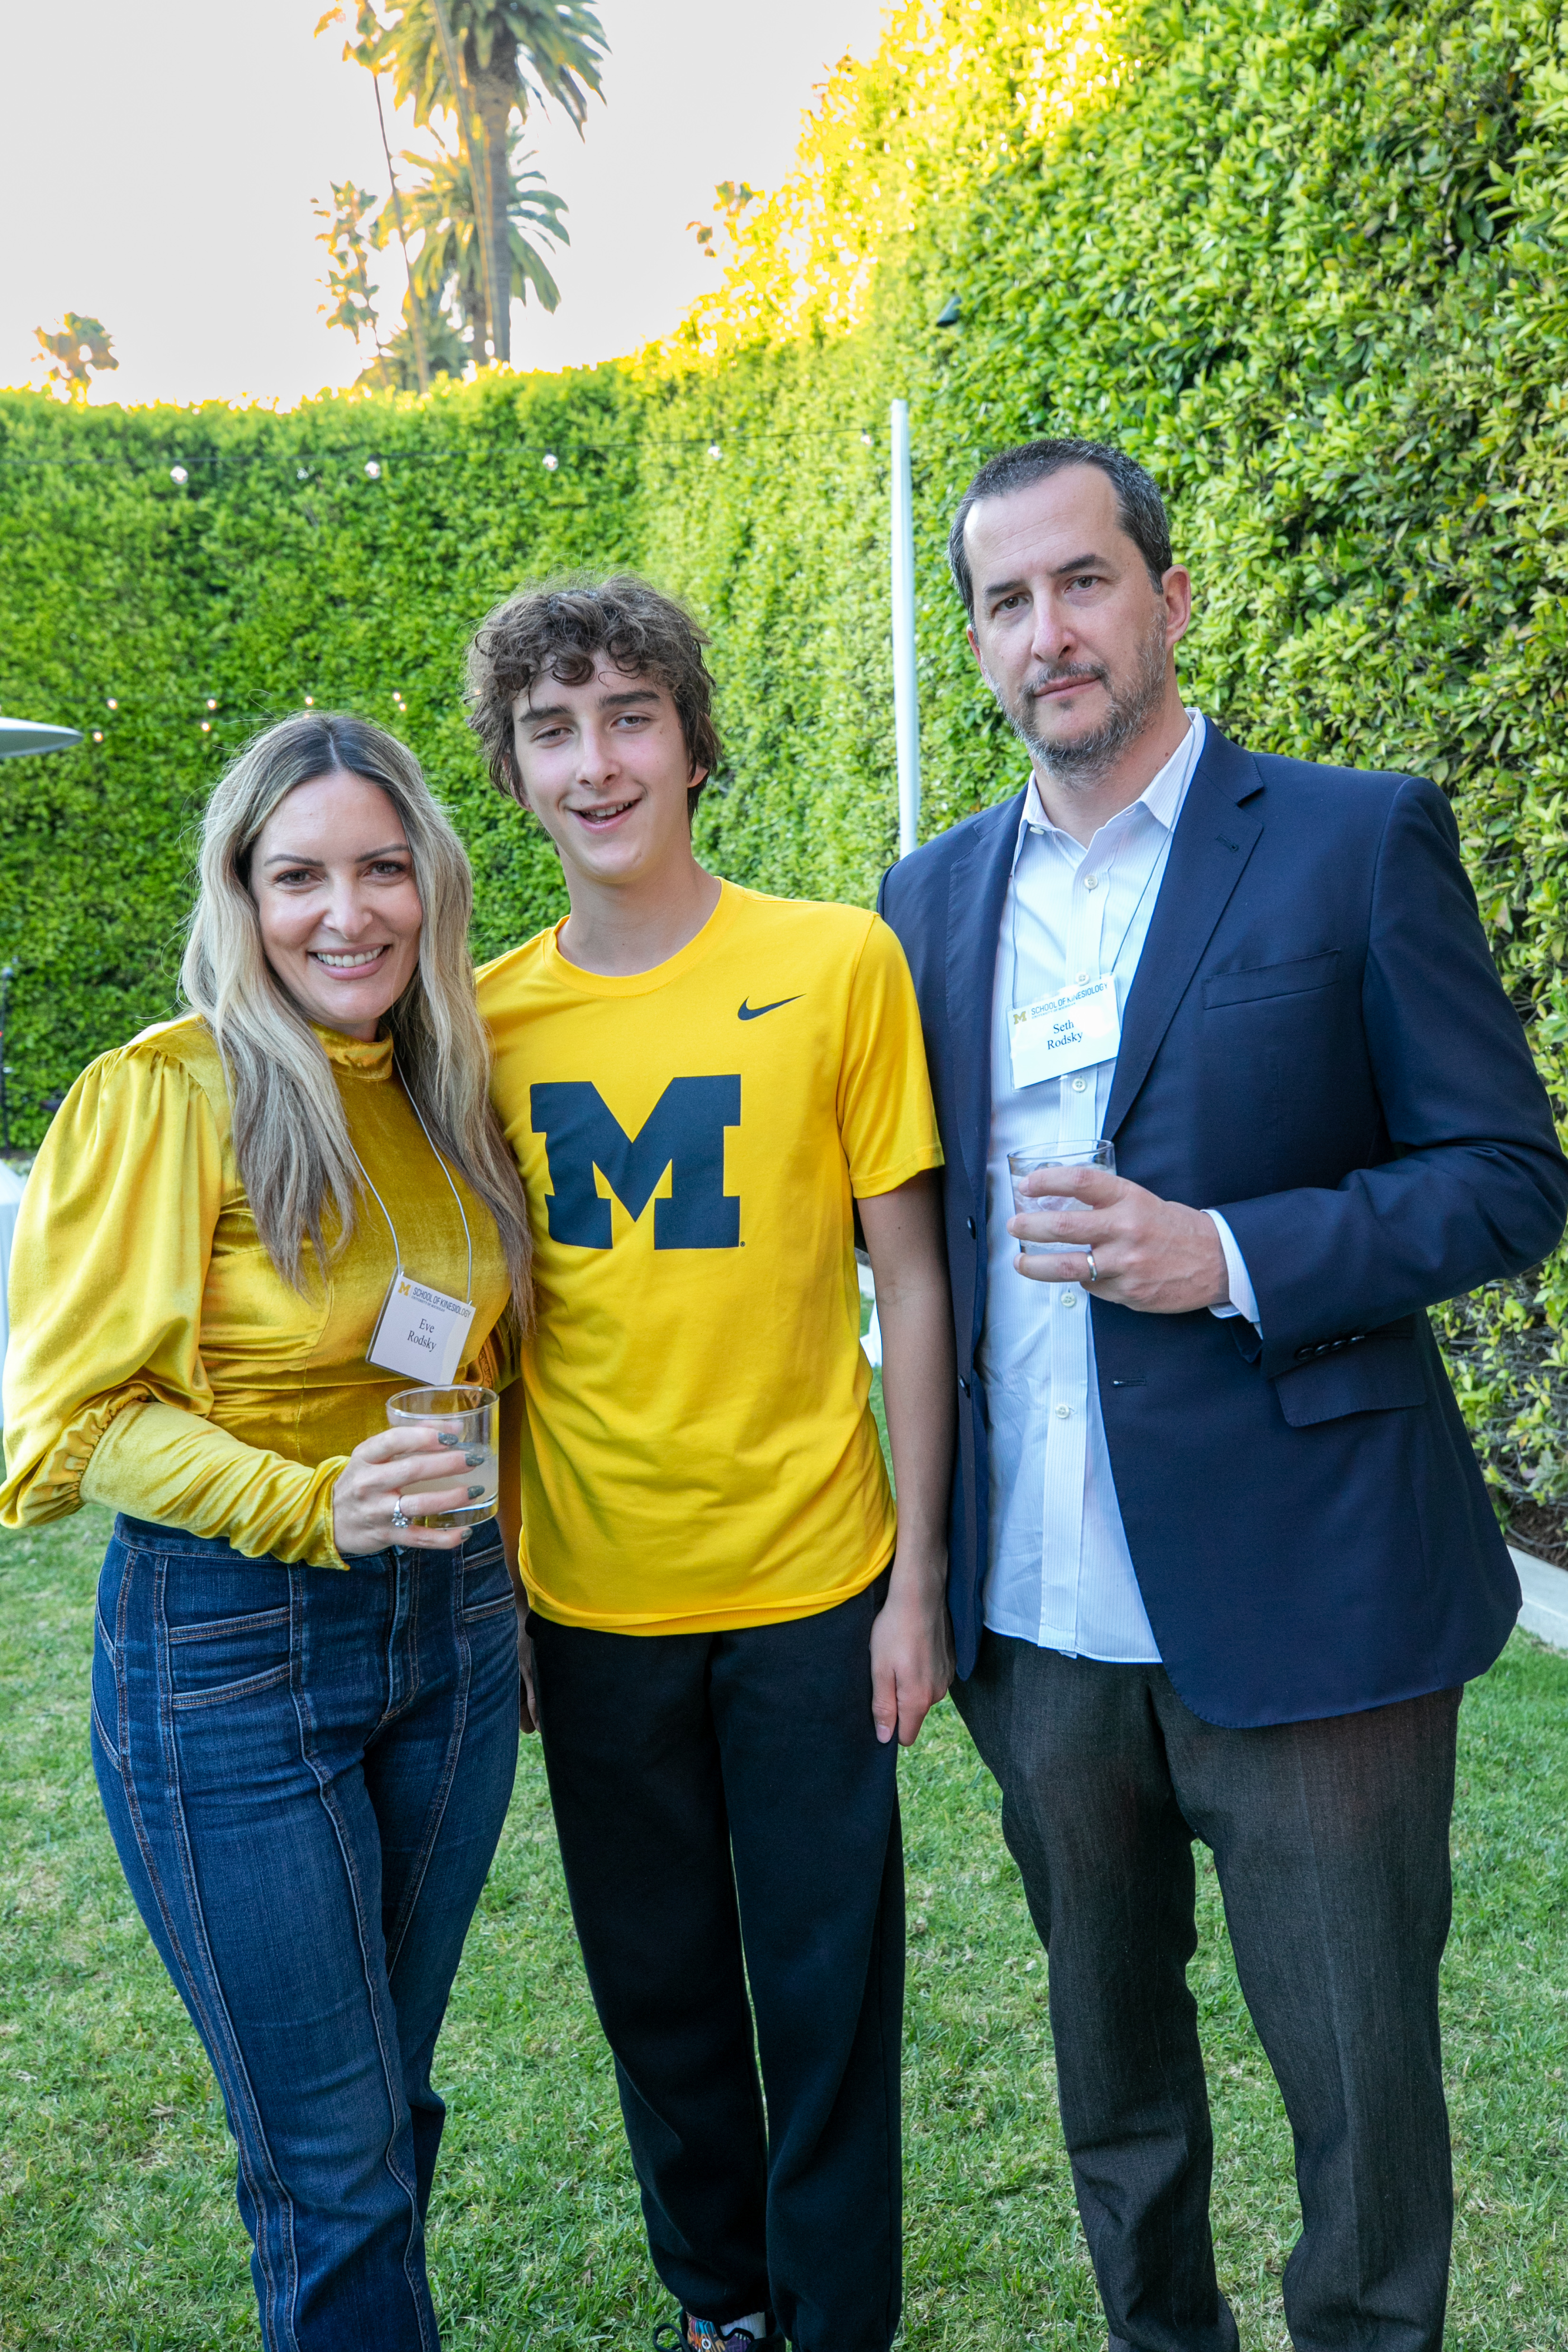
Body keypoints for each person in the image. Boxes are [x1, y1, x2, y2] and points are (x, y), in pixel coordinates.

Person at [876, 438, 1568, 2352]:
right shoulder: (921, 901)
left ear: (1170, 598)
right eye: (1005, 604)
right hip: (1043, 1625)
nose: (1047, 633)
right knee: (1114, 2088)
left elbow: (1509, 1175)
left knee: (1360, 2103)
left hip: (1319, 1605)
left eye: (1082, 583)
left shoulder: (1354, 840)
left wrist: (1231, 1256)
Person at [0, 713, 533, 2352]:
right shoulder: (167, 1091)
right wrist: (309, 1502)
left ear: (434, 886)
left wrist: (500, 1588)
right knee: (337, 2157)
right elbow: (68, 1419)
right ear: (240, 895)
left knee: (382, 2113)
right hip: (232, 1661)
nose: (347, 911)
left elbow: (481, 1357)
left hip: (452, 1643)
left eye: (384, 868)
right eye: (298, 875)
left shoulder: (448, 1085)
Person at [465, 575, 955, 2352]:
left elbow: (909, 1270)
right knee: (659, 1992)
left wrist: (915, 1580)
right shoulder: (480, 1018)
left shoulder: (836, 962)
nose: (594, 763)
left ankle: (835, 2321)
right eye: (551, 729)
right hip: (591, 1600)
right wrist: (502, 1585)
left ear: (691, 741)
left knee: (828, 1990)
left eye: (627, 718)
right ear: (513, 773)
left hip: (817, 1588)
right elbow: (486, 1331)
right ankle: (722, 2306)